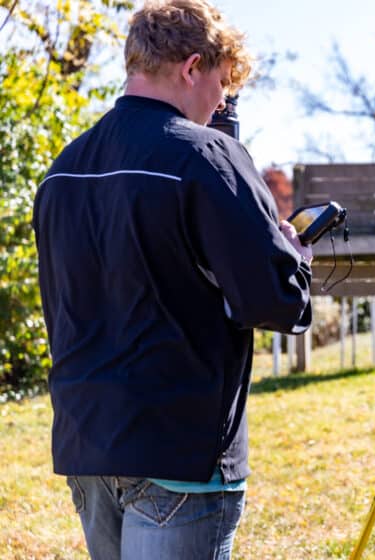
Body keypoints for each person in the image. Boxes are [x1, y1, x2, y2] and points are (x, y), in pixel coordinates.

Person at [32, 1, 313, 558]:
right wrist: (294, 257)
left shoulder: (61, 169)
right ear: (191, 68)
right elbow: (274, 303)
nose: (223, 100)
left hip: (88, 442)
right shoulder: (208, 157)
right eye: (222, 83)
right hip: (182, 448)